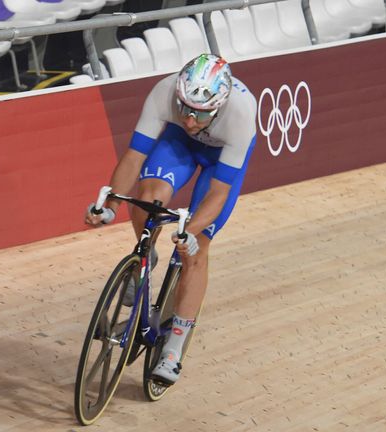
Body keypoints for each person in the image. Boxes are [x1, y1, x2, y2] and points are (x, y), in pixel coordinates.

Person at [84, 53, 258, 386]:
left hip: (219, 163)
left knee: (196, 248)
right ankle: (145, 258)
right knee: (147, 199)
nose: (191, 120)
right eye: (185, 108)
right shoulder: (164, 92)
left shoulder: (241, 114)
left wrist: (189, 231)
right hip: (179, 146)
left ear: (219, 107)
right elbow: (135, 156)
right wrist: (109, 206)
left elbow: (218, 193)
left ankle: (174, 348)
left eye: (200, 113)